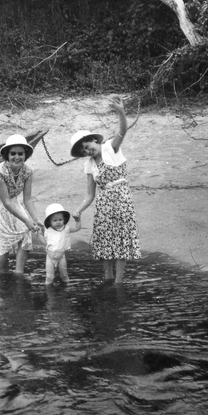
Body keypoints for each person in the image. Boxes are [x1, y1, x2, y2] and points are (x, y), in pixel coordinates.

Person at [70, 96, 141, 285]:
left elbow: (123, 131)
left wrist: (120, 111)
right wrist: (79, 210)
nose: (87, 151)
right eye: (84, 151)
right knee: (105, 242)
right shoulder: (88, 165)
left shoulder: (110, 148)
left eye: (88, 146)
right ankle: (108, 278)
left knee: (121, 240)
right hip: (103, 205)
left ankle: (118, 282)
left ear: (94, 140)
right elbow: (89, 195)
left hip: (121, 200)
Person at [0, 134, 44, 274]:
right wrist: (27, 220)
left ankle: (18, 272)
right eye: (13, 154)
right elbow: (6, 202)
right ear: (7, 155)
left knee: (26, 232)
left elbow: (27, 199)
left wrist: (35, 219)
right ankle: (3, 272)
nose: (17, 157)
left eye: (20, 154)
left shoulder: (28, 171)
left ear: (25, 155)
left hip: (12, 199)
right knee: (2, 238)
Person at [38, 203, 82, 286]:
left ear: (64, 219)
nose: (58, 222)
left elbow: (77, 228)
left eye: (60, 219)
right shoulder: (48, 230)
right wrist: (39, 234)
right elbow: (45, 242)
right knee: (49, 277)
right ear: (49, 222)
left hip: (61, 257)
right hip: (50, 258)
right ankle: (49, 295)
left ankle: (66, 289)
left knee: (64, 275)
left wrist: (78, 220)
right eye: (55, 220)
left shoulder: (66, 229)